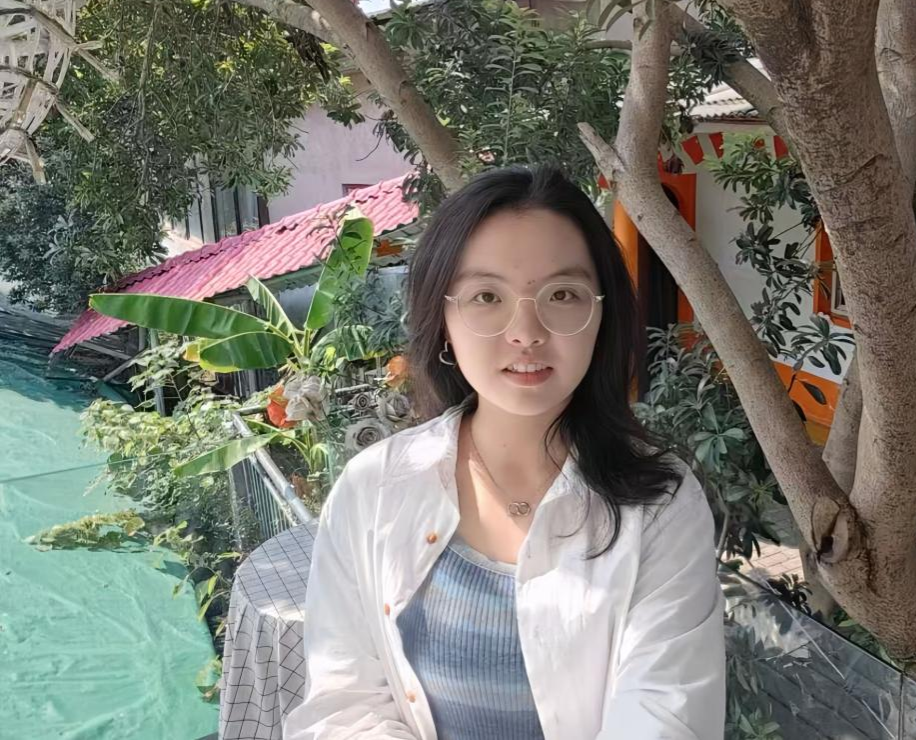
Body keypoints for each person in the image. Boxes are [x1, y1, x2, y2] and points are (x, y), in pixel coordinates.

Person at [283, 164, 725, 740]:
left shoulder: (661, 504)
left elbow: (667, 719)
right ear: (442, 320)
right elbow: (343, 706)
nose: (526, 332)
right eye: (487, 296)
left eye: (562, 294)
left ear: (602, 315)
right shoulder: (373, 489)